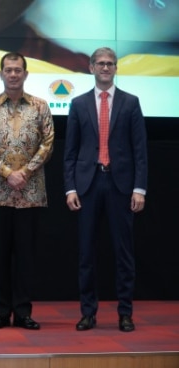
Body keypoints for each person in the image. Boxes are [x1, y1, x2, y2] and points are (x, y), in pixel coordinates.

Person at [63, 47, 148, 332]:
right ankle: (88, 312)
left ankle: (125, 313)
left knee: (124, 253)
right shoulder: (78, 104)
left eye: (110, 63)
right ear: (90, 67)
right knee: (86, 254)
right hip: (87, 185)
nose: (105, 67)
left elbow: (140, 151)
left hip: (120, 185)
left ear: (116, 68)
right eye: (100, 63)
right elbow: (70, 153)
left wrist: (139, 188)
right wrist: (70, 188)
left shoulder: (131, 103)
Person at [0, 52, 54, 330]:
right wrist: (9, 173)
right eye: (8, 70)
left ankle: (23, 312)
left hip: (31, 194)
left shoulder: (41, 107)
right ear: (0, 74)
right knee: (0, 257)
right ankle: (0, 312)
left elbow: (47, 143)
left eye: (18, 70)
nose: (13, 74)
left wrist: (26, 173)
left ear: (25, 74)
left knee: (26, 257)